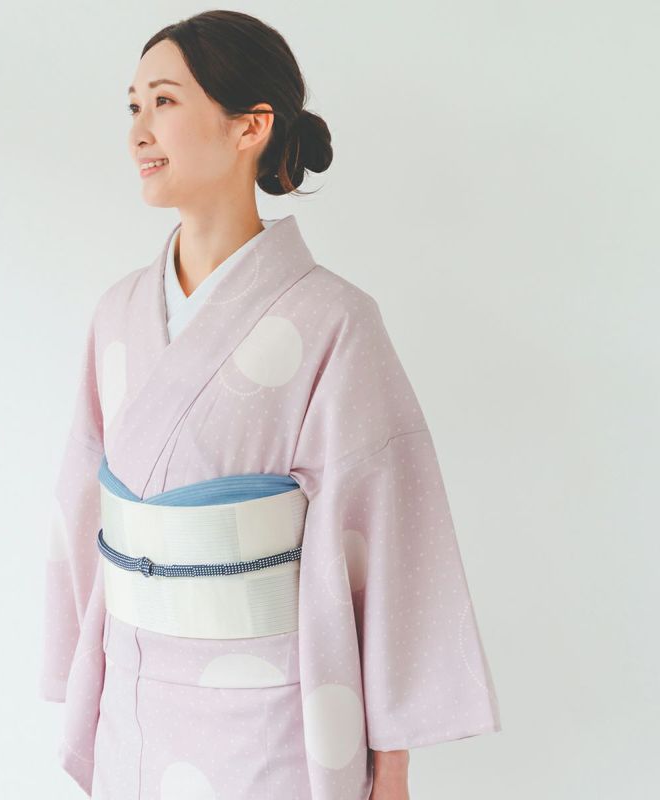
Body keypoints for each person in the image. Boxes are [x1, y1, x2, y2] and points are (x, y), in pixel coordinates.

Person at [39, 10, 502, 800]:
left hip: (270, 714)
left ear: (250, 126)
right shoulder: (117, 315)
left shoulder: (334, 320)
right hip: (134, 703)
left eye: (164, 101)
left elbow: (387, 532)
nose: (139, 131)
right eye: (134, 106)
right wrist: (81, 672)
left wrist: (390, 764)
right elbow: (82, 498)